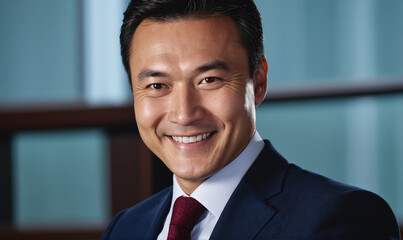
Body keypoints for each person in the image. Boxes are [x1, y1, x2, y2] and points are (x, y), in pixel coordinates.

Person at [101, 0, 401, 239]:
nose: (184, 113)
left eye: (209, 80)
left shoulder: (341, 219)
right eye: (157, 86)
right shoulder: (126, 228)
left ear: (258, 81)